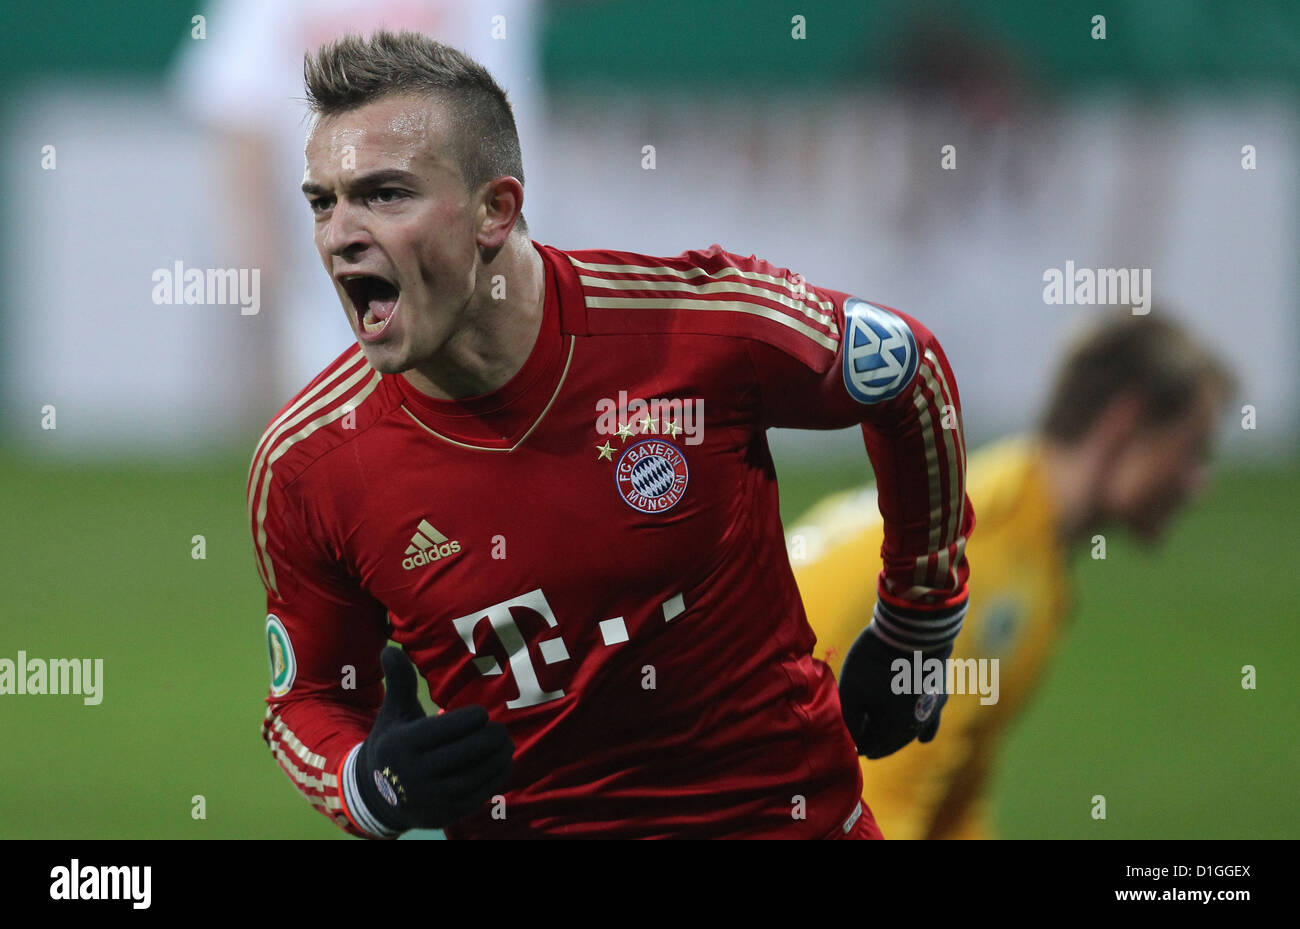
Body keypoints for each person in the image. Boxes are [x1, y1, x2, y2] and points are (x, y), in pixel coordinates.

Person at [246, 30, 972, 839]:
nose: (340, 233)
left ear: (496, 209)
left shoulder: (697, 329)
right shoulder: (308, 462)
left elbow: (911, 373)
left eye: (385, 194)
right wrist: (370, 787)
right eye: (322, 200)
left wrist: (919, 619)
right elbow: (306, 698)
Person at [788, 312, 1234, 839]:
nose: (1198, 482)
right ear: (1125, 423)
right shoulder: (987, 565)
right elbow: (882, 811)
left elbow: (951, 797)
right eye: (1190, 449)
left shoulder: (1010, 521)